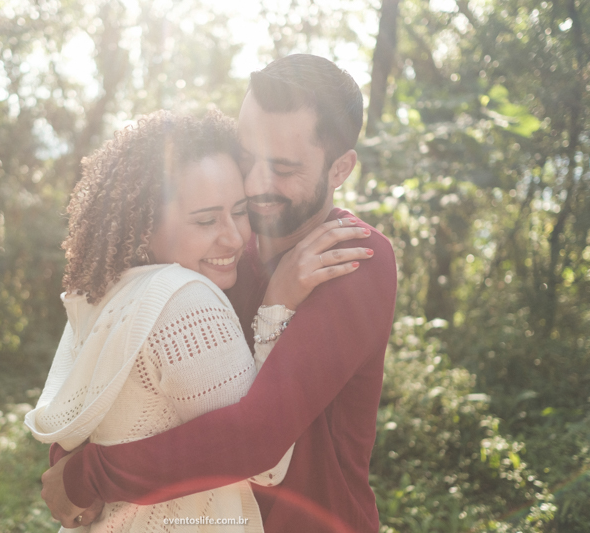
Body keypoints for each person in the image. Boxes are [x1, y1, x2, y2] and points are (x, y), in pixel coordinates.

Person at [40, 54, 398, 533]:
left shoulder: (353, 258)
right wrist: (67, 453)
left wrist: (89, 475)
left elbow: (255, 437)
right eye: (247, 157)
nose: (254, 183)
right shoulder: (220, 244)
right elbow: (116, 353)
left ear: (340, 169)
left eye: (284, 168)